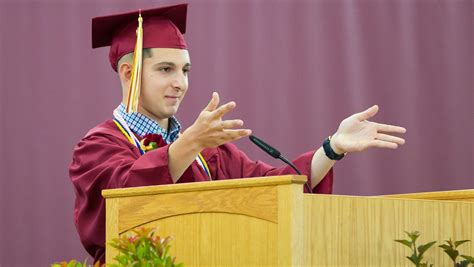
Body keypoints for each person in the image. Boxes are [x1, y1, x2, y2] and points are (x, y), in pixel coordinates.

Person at [69, 3, 406, 264]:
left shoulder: (208, 152)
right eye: (166, 69)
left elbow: (274, 190)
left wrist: (331, 148)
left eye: (185, 70)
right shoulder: (98, 146)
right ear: (128, 73)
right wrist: (188, 144)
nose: (180, 83)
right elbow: (121, 203)